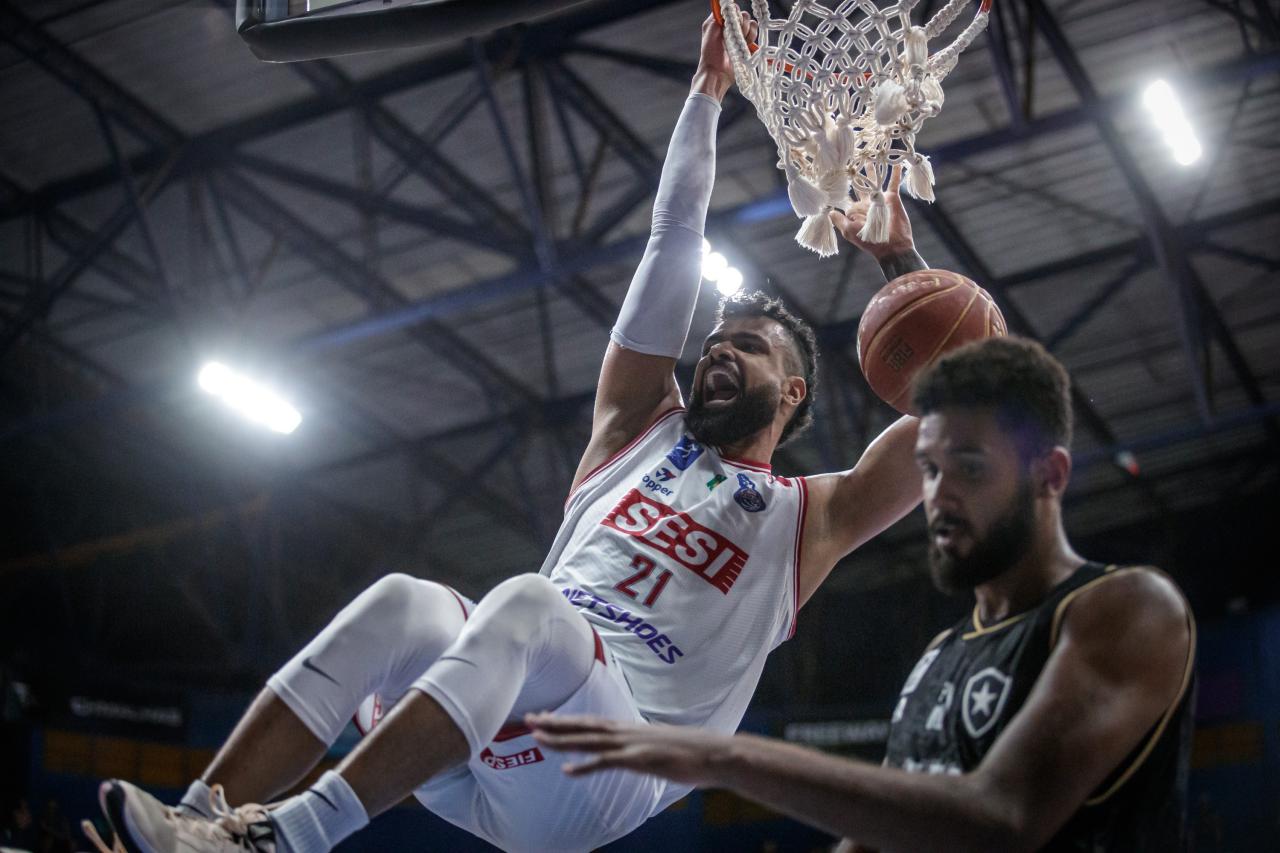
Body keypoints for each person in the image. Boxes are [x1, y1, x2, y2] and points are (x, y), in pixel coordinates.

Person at [91, 14, 931, 853]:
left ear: (789, 393)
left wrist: (902, 266)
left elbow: (960, 410)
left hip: (608, 770)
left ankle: (289, 836)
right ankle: (195, 823)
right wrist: (705, 94)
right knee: (402, 600)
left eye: (744, 348)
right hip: (495, 731)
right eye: (713, 340)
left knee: (533, 601)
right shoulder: (636, 424)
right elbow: (674, 239)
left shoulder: (812, 515)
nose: (716, 348)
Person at [529, 335, 1197, 852]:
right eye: (930, 469)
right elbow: (883, 837)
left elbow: (1004, 820)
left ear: (1050, 474)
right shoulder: (941, 658)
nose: (940, 494)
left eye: (968, 466)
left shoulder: (1127, 606)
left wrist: (722, 755)